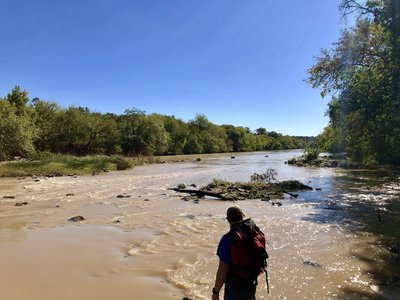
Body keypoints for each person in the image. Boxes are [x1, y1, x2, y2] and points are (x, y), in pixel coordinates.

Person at [212, 206, 261, 300]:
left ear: (227, 219)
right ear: (242, 216)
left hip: (235, 286)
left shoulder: (227, 239)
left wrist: (215, 292)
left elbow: (222, 269)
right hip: (251, 281)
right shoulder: (252, 232)